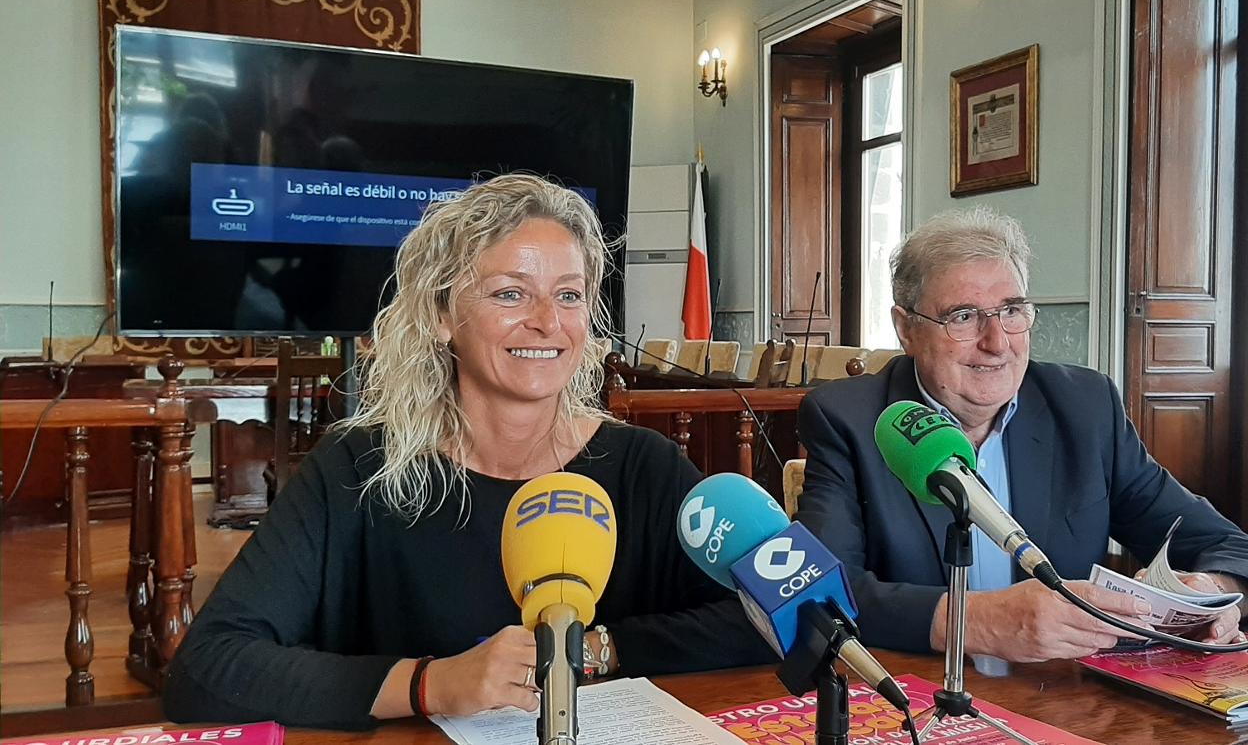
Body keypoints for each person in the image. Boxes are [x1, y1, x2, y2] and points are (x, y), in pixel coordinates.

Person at [163, 174, 772, 729]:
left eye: (569, 295)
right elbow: (210, 668)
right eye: (510, 294)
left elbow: (764, 619)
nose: (546, 322)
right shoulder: (354, 470)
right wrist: (430, 683)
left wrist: (591, 648)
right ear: (439, 314)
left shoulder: (645, 467)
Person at [796, 206, 1248, 662]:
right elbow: (819, 591)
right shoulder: (848, 419)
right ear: (906, 329)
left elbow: (1227, 547)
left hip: (1067, 701)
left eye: (1011, 310)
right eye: (964, 316)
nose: (997, 342)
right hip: (918, 700)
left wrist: (1211, 594)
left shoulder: (1084, 406)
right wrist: (979, 621)